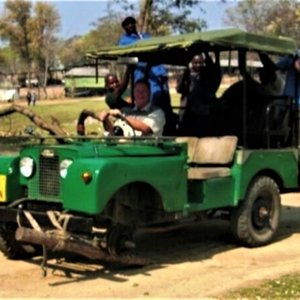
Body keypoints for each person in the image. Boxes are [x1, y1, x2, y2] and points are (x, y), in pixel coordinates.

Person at [118, 16, 174, 135]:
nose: (130, 25)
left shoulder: (144, 35)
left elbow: (155, 46)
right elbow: (135, 51)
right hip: (145, 78)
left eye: (132, 22)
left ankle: (169, 131)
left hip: (160, 77)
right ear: (123, 27)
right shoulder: (124, 40)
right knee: (151, 106)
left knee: (165, 108)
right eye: (127, 24)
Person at [98, 79, 166, 136]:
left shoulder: (157, 113)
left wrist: (122, 117)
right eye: (138, 91)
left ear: (149, 94)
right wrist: (105, 119)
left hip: (147, 150)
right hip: (126, 148)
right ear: (133, 94)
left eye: (144, 91)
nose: (140, 94)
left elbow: (145, 128)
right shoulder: (128, 111)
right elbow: (115, 132)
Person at [176, 52, 222, 136]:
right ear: (191, 63)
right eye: (195, 62)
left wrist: (211, 55)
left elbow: (215, 76)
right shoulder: (186, 75)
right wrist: (185, 73)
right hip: (188, 112)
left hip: (203, 113)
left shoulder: (206, 75)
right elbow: (179, 89)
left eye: (200, 62)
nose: (198, 65)